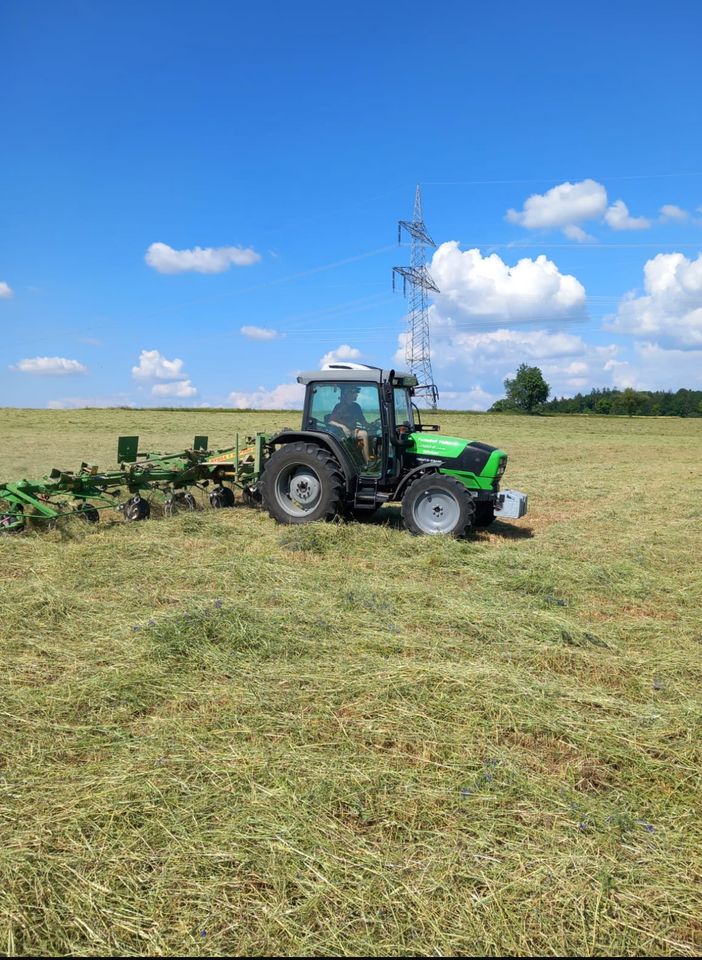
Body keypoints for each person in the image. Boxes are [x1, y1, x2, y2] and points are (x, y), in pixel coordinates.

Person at [328, 385, 372, 461]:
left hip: (353, 431)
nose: (357, 395)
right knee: (364, 434)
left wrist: (371, 425)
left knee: (370, 434)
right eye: (354, 392)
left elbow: (362, 421)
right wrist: (343, 427)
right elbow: (331, 421)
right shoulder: (339, 407)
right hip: (342, 433)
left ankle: (369, 458)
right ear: (348, 394)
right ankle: (367, 461)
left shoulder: (356, 406)